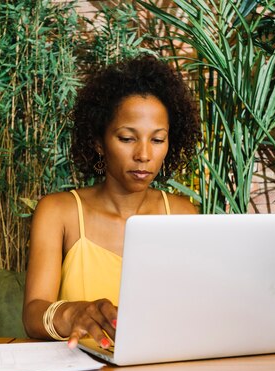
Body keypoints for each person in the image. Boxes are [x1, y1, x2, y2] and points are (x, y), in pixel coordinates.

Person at [22, 55, 201, 349]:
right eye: (127, 138)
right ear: (98, 142)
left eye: (157, 140)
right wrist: (72, 313)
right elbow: (32, 315)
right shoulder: (59, 212)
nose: (144, 155)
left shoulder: (182, 214)